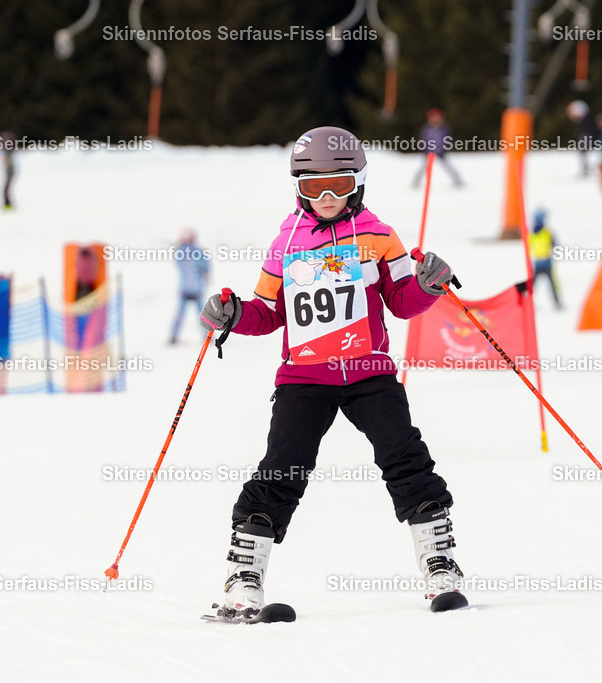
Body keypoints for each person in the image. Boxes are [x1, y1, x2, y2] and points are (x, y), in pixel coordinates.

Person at [200, 126, 466, 617]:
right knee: (283, 466)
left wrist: (429, 286)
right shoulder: (286, 244)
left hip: (369, 372)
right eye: (312, 187)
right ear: (296, 186)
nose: (325, 198)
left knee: (404, 455)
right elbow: (269, 312)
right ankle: (244, 576)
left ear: (358, 182)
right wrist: (234, 316)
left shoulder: (380, 236)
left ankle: (439, 562)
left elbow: (402, 303)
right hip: (304, 378)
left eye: (339, 185)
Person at [168, 230, 210, 345]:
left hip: (187, 288)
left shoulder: (181, 252)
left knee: (183, 314)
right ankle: (207, 336)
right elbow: (206, 267)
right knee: (202, 314)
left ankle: (174, 335)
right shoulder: (197, 252)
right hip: (194, 288)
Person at [412, 108, 463, 188]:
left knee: (448, 166)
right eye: (433, 117)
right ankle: (415, 183)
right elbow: (423, 140)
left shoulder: (444, 129)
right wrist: (425, 150)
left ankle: (458, 181)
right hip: (429, 153)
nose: (435, 119)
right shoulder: (427, 130)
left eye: (437, 117)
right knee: (424, 168)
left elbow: (447, 140)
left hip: (441, 152)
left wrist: (444, 149)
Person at [529, 209, 562, 309]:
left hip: (542, 262)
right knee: (547, 285)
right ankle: (556, 302)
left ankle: (556, 302)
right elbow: (555, 245)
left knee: (549, 285)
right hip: (542, 263)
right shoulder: (547, 233)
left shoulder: (535, 234)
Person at [566, 100, 599, 177]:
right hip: (587, 140)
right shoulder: (587, 121)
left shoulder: (585, 123)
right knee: (584, 155)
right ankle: (587, 169)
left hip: (587, 140)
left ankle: (587, 170)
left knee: (584, 155)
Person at [0, 131, 17, 210]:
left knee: (5, 190)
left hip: (10, 173)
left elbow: (6, 163)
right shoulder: (9, 152)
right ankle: (8, 205)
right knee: (6, 189)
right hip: (10, 173)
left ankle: (8, 205)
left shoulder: (7, 152)